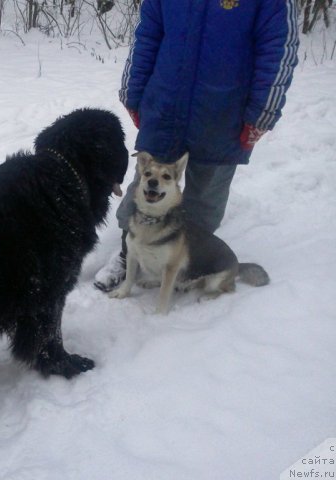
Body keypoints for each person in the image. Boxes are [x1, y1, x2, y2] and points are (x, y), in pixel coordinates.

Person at [95, 0, 300, 292]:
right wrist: (133, 91)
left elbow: (279, 48)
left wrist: (263, 112)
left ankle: (187, 261)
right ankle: (129, 254)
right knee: (147, 185)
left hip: (224, 112)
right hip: (165, 105)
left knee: (206, 195)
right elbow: (148, 35)